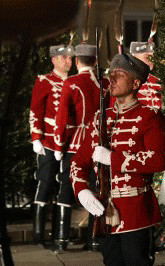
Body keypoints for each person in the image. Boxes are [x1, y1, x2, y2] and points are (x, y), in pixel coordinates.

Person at [70, 52, 165, 266]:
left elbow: (159, 159)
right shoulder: (99, 118)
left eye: (120, 74)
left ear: (135, 83)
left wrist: (114, 159)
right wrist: (82, 191)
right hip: (104, 212)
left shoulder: (149, 116)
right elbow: (78, 163)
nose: (112, 79)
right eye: (111, 74)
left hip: (136, 212)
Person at [53, 42, 108, 251]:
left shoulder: (72, 82)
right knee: (95, 187)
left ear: (76, 61)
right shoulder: (104, 83)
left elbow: (63, 118)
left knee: (67, 188)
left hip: (76, 142)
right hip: (99, 143)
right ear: (95, 61)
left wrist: (59, 144)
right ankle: (94, 239)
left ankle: (61, 239)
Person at [29, 44, 73, 246]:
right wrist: (36, 137)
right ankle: (38, 234)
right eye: (64, 58)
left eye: (70, 59)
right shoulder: (44, 81)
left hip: (67, 142)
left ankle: (60, 234)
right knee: (45, 183)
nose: (68, 62)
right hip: (47, 141)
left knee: (64, 186)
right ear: (54, 59)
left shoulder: (73, 82)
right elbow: (36, 110)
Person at [129, 41, 162, 110]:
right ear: (134, 57)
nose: (151, 60)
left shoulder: (158, 81)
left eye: (152, 57)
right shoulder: (127, 82)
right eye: (147, 57)